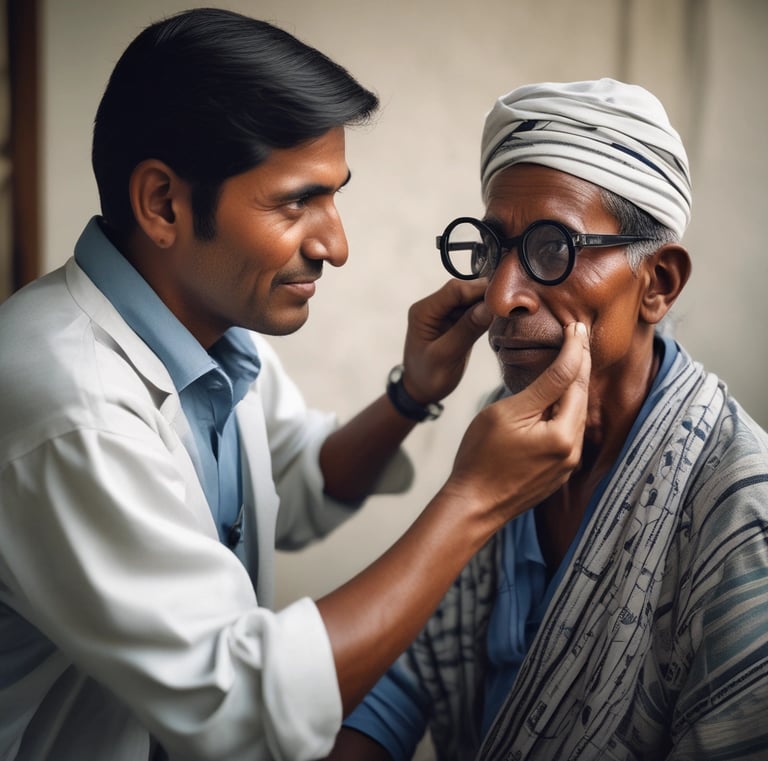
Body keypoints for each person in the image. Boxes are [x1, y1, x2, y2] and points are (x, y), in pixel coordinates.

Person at [0, 10, 592, 761]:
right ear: (162, 204)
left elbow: (302, 480)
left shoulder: (211, 335)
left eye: (335, 195)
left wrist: (412, 394)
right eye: (295, 202)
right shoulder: (70, 407)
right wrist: (473, 500)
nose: (335, 245)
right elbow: (238, 706)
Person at [329, 78, 768, 760]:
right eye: (493, 247)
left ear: (658, 282)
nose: (503, 295)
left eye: (552, 248)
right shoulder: (500, 427)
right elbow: (412, 672)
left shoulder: (739, 506)